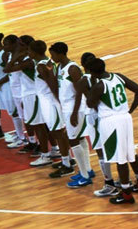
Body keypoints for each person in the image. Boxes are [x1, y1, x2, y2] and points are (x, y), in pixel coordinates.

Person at [87, 57, 138, 203]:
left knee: (120, 158)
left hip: (110, 121)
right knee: (131, 152)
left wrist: (91, 88)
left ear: (91, 72)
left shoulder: (99, 86)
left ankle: (126, 192)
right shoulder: (118, 76)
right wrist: (130, 109)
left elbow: (90, 103)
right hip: (125, 118)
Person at [4, 35, 60, 167]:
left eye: (19, 44)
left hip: (33, 95)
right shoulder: (36, 59)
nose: (17, 46)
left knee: (38, 126)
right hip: (33, 95)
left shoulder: (30, 61)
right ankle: (54, 149)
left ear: (25, 46)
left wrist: (16, 57)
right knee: (44, 125)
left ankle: (45, 155)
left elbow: (7, 69)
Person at [49, 42, 94, 188]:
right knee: (79, 138)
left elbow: (80, 92)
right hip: (67, 108)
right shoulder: (59, 67)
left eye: (53, 54)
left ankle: (85, 176)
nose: (52, 57)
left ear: (60, 53)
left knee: (73, 140)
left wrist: (75, 112)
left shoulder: (73, 69)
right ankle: (87, 170)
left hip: (75, 109)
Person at [28, 40, 74, 178]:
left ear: (35, 52)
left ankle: (67, 164)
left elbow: (52, 85)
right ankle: (68, 159)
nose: (28, 53)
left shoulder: (42, 66)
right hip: (49, 101)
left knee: (58, 133)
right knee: (57, 132)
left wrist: (58, 101)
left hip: (50, 102)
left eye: (29, 51)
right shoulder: (47, 62)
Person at [78, 53, 118, 197]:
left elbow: (91, 101)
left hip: (95, 116)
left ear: (83, 65)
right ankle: (122, 181)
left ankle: (109, 183)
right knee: (115, 148)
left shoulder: (84, 81)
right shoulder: (106, 78)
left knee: (101, 150)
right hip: (109, 115)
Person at [0, 32, 27, 147]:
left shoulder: (4, 55)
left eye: (7, 44)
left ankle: (21, 137)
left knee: (15, 113)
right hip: (2, 86)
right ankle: (19, 134)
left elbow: (8, 72)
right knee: (12, 112)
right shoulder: (1, 53)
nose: (5, 46)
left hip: (7, 86)